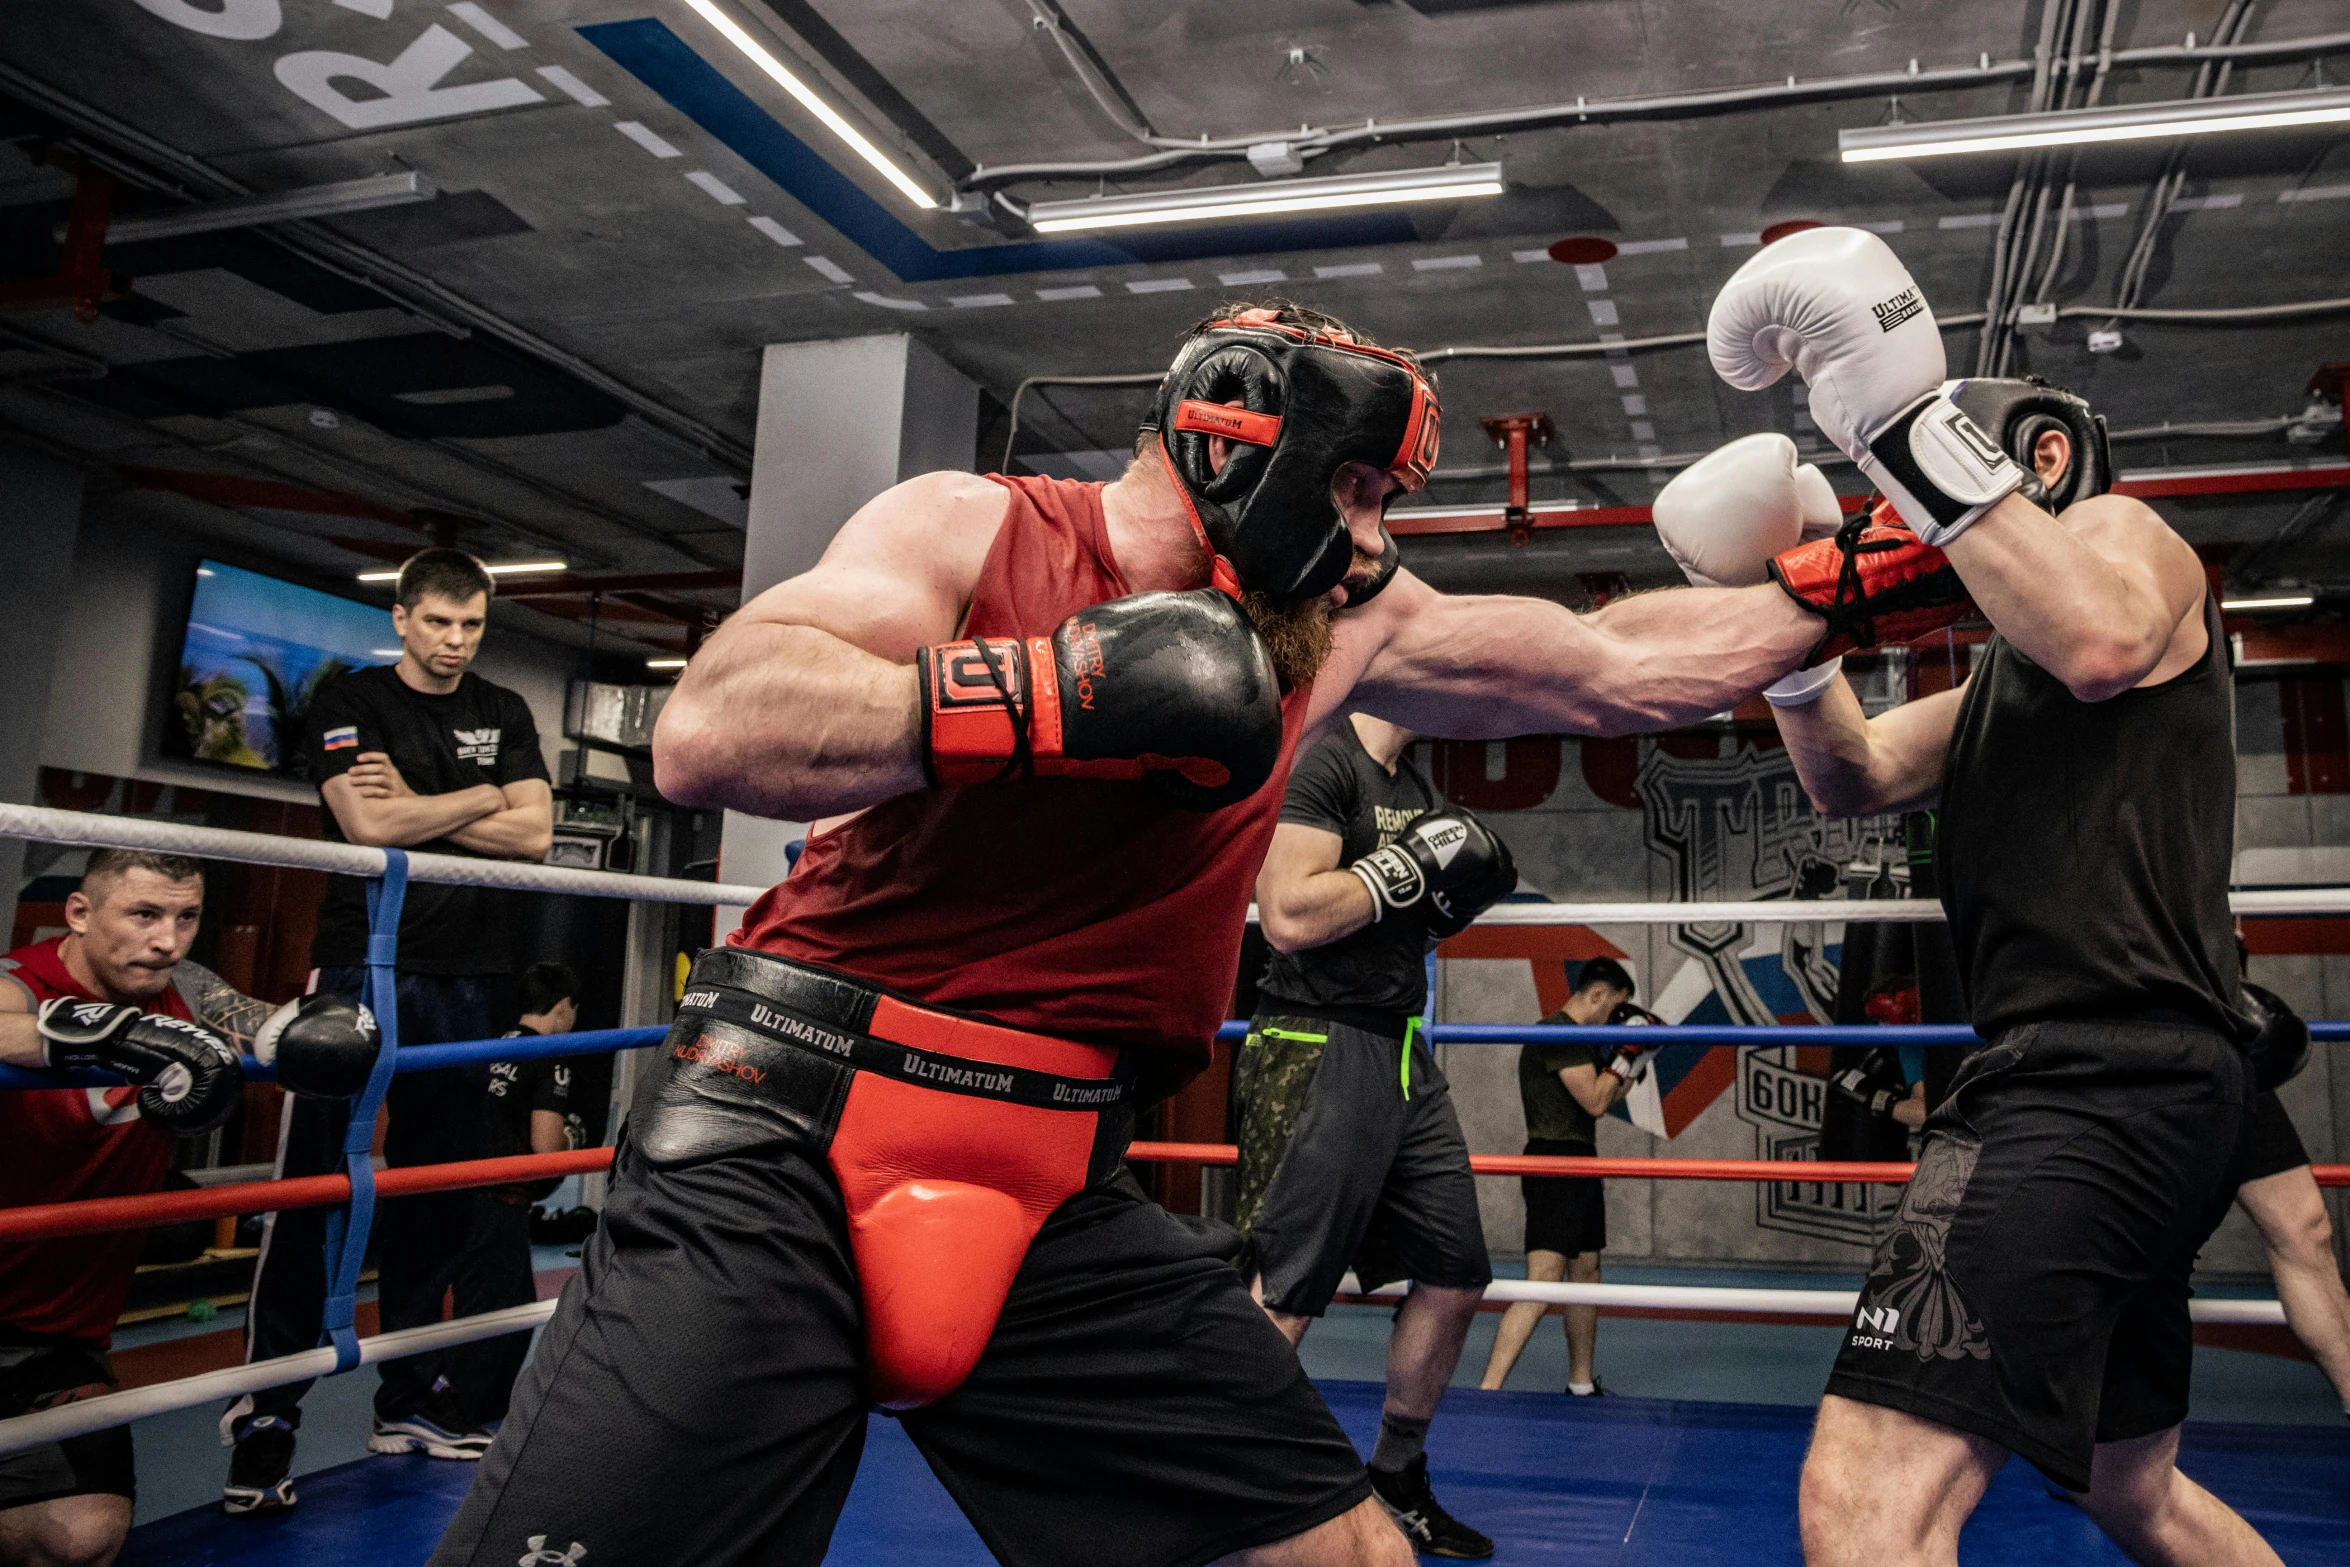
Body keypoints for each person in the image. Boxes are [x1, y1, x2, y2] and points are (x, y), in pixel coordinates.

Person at [428, 299, 1970, 1567]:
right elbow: (710, 729)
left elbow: (1605, 664)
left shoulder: (1341, 616)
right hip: (790, 1132)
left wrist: (1850, 585)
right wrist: (1039, 695)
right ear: (1250, 446)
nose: (1373, 529)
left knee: (1341, 1555)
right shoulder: (973, 527)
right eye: (1360, 485)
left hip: (1052, 1186)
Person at [1671, 226, 2279, 1564]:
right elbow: (1855, 775)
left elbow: (2101, 635)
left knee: (1865, 1499)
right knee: (2134, 1489)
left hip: (2087, 1080)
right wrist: (1784, 632)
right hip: (2135, 1079)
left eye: (1919, 481)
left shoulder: (2127, 540)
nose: (1905, 526)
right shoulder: (2005, 681)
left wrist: (1896, 418)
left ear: (2028, 464)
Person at [228, 548, 553, 1510]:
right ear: (404, 618)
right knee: (314, 1189)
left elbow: (536, 833)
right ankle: (266, 1419)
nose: (457, 643)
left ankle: (408, 1399)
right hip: (362, 966)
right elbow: (365, 830)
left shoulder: (506, 710)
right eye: (441, 623)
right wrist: (478, 800)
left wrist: (418, 809)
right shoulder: (351, 699)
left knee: (433, 1196)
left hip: (472, 974)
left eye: (474, 626)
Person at [0, 851, 373, 1564]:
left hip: (51, 1340)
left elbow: (277, 1027)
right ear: (79, 914)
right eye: (143, 914)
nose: (168, 939)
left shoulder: (188, 992)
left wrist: (333, 1029)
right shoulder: (19, 979)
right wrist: (119, 1037)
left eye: (186, 916)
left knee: (80, 1538)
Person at [1239, 711, 1515, 1558]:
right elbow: (1285, 912)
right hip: (1318, 1038)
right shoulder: (1324, 764)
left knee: (1456, 1270)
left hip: (1400, 1047)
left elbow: (1405, 918)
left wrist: (1438, 899)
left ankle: (1396, 1478)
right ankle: (1217, 1488)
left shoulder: (1416, 787)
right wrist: (1402, 867)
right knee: (1284, 1295)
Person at [1479, 957, 1643, 1397]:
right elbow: (1593, 1100)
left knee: (1587, 1270)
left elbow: (1604, 1097)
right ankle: (1487, 1389)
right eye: (1615, 1008)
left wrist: (1635, 1061)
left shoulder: (1582, 1041)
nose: (1614, 1018)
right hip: (1554, 1162)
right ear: (1597, 994)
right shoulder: (1559, 1031)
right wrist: (1626, 1055)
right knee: (1545, 1276)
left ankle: (1581, 1383)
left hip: (1580, 1159)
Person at [2222, 985, 2350, 1420]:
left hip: (2218, 1042)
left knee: (2306, 1228)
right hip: (2123, 1054)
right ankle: (2101, 1463)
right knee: (2139, 1260)